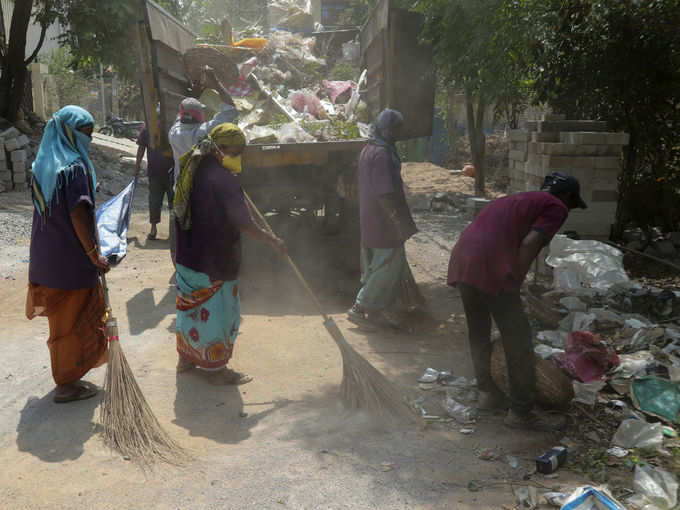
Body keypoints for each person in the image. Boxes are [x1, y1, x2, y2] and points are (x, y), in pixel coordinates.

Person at [447, 172, 588, 431]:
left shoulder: (516, 199)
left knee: (478, 330)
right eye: (571, 202)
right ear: (567, 196)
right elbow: (531, 241)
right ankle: (521, 411)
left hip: (463, 260)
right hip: (491, 265)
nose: (568, 208)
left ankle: (487, 393)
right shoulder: (555, 206)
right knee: (518, 339)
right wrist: (514, 281)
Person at [173, 123, 285, 384]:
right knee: (218, 312)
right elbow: (243, 223)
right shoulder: (222, 180)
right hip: (214, 260)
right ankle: (216, 370)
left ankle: (187, 359)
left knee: (190, 310)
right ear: (219, 149)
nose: (238, 157)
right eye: (236, 152)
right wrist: (272, 240)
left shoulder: (193, 169)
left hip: (188, 255)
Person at [26, 105, 110, 403]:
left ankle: (67, 375)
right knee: (72, 322)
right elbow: (78, 213)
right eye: (83, 133)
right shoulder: (74, 168)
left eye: (90, 133)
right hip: (71, 260)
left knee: (62, 321)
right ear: (66, 132)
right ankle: (66, 383)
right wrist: (93, 254)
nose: (88, 139)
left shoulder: (44, 165)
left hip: (47, 257)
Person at [346, 109, 420, 330]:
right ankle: (360, 308)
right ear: (389, 130)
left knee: (374, 264)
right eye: (398, 128)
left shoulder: (369, 149)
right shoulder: (383, 154)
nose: (400, 132)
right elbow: (385, 192)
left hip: (369, 217)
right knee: (387, 266)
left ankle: (377, 311)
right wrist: (397, 220)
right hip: (384, 220)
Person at [168, 66, 238, 264]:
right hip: (203, 194)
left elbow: (182, 113)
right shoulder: (203, 133)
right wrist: (216, 84)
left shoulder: (174, 132)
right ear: (200, 115)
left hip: (181, 192)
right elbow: (231, 110)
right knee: (206, 233)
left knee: (182, 230)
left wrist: (194, 94)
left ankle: (181, 265)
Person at [135, 117, 175, 240]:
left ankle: (169, 230)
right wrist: (137, 166)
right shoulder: (148, 130)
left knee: (170, 202)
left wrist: (137, 167)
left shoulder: (173, 129)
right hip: (159, 173)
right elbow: (141, 148)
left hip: (170, 172)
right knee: (156, 201)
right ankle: (155, 228)